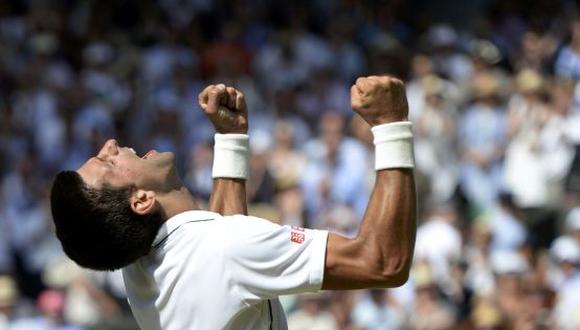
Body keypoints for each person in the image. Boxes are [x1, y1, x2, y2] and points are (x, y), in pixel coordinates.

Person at [50, 76, 417, 329]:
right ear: (143, 200)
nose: (110, 146)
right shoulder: (225, 249)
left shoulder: (140, 264)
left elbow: (224, 255)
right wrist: (391, 125)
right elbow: (382, 262)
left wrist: (230, 141)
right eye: (108, 163)